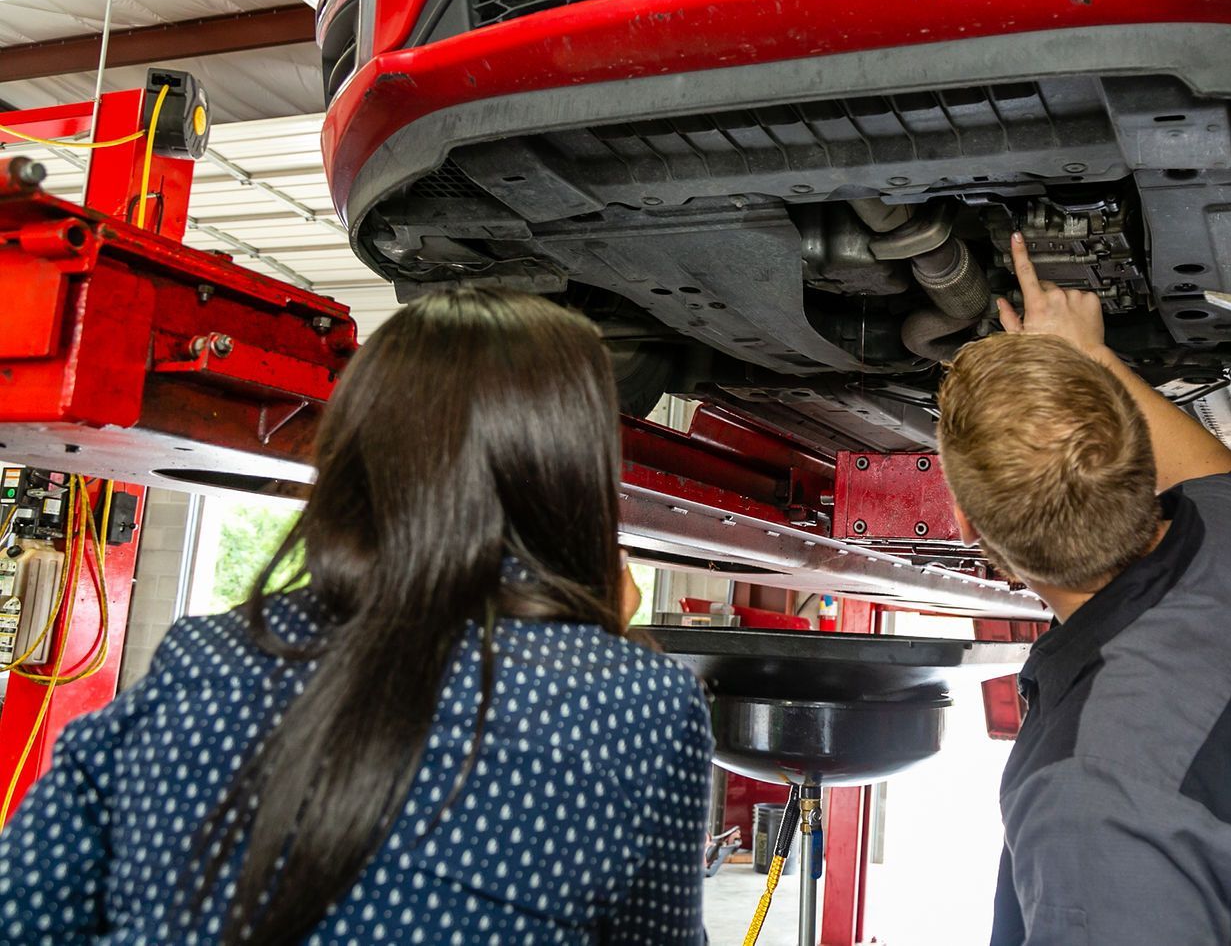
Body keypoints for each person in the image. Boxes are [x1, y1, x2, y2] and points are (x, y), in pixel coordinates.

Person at [0, 289, 713, 945]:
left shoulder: (203, 656)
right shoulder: (638, 706)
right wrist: (607, 645)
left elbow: (25, 911)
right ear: (570, 470)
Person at [938, 236, 1231, 946]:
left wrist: (1086, 363)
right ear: (1136, 450)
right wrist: (1089, 359)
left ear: (967, 525)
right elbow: (1211, 473)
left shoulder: (1096, 801)